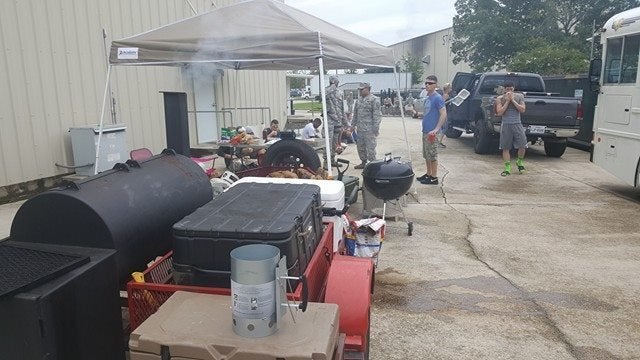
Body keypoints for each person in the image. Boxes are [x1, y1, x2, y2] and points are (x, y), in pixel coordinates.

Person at [416, 75, 447, 185]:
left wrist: (436, 128)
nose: (427, 85)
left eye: (430, 83)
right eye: (426, 83)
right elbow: (427, 114)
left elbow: (443, 114)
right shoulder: (428, 97)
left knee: (432, 155)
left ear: (436, 85)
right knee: (427, 154)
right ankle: (428, 174)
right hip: (426, 130)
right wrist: (415, 113)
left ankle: (434, 177)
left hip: (432, 131)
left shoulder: (437, 98)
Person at [495, 80, 527, 176]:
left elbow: (522, 109)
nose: (509, 91)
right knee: (505, 147)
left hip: (517, 123)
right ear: (504, 89)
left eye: (511, 89)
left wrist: (513, 100)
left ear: (514, 89)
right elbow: (500, 112)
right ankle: (507, 167)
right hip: (506, 124)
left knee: (522, 145)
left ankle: (520, 161)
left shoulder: (520, 96)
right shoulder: (500, 98)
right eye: (507, 89)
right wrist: (507, 101)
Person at [352, 82, 382, 169]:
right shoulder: (358, 100)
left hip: (369, 130)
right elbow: (355, 114)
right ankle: (363, 162)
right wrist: (352, 126)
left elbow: (377, 115)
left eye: (362, 89)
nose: (360, 91)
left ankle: (373, 164)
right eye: (360, 89)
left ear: (368, 88)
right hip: (360, 129)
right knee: (360, 147)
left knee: (371, 148)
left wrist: (376, 128)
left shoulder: (374, 99)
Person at [325, 75, 345, 167]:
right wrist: (332, 86)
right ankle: (326, 162)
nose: (336, 84)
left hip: (337, 121)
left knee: (335, 142)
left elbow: (342, 108)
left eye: (337, 82)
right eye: (335, 82)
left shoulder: (340, 93)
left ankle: (332, 160)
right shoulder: (326, 90)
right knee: (328, 141)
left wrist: (345, 123)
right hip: (329, 120)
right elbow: (324, 95)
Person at [438, 83, 453, 148]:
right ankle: (439, 142)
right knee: (444, 128)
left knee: (442, 127)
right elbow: (443, 104)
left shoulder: (443, 94)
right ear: (447, 88)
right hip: (444, 112)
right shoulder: (446, 95)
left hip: (444, 112)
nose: (451, 89)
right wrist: (451, 100)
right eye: (450, 88)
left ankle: (439, 141)